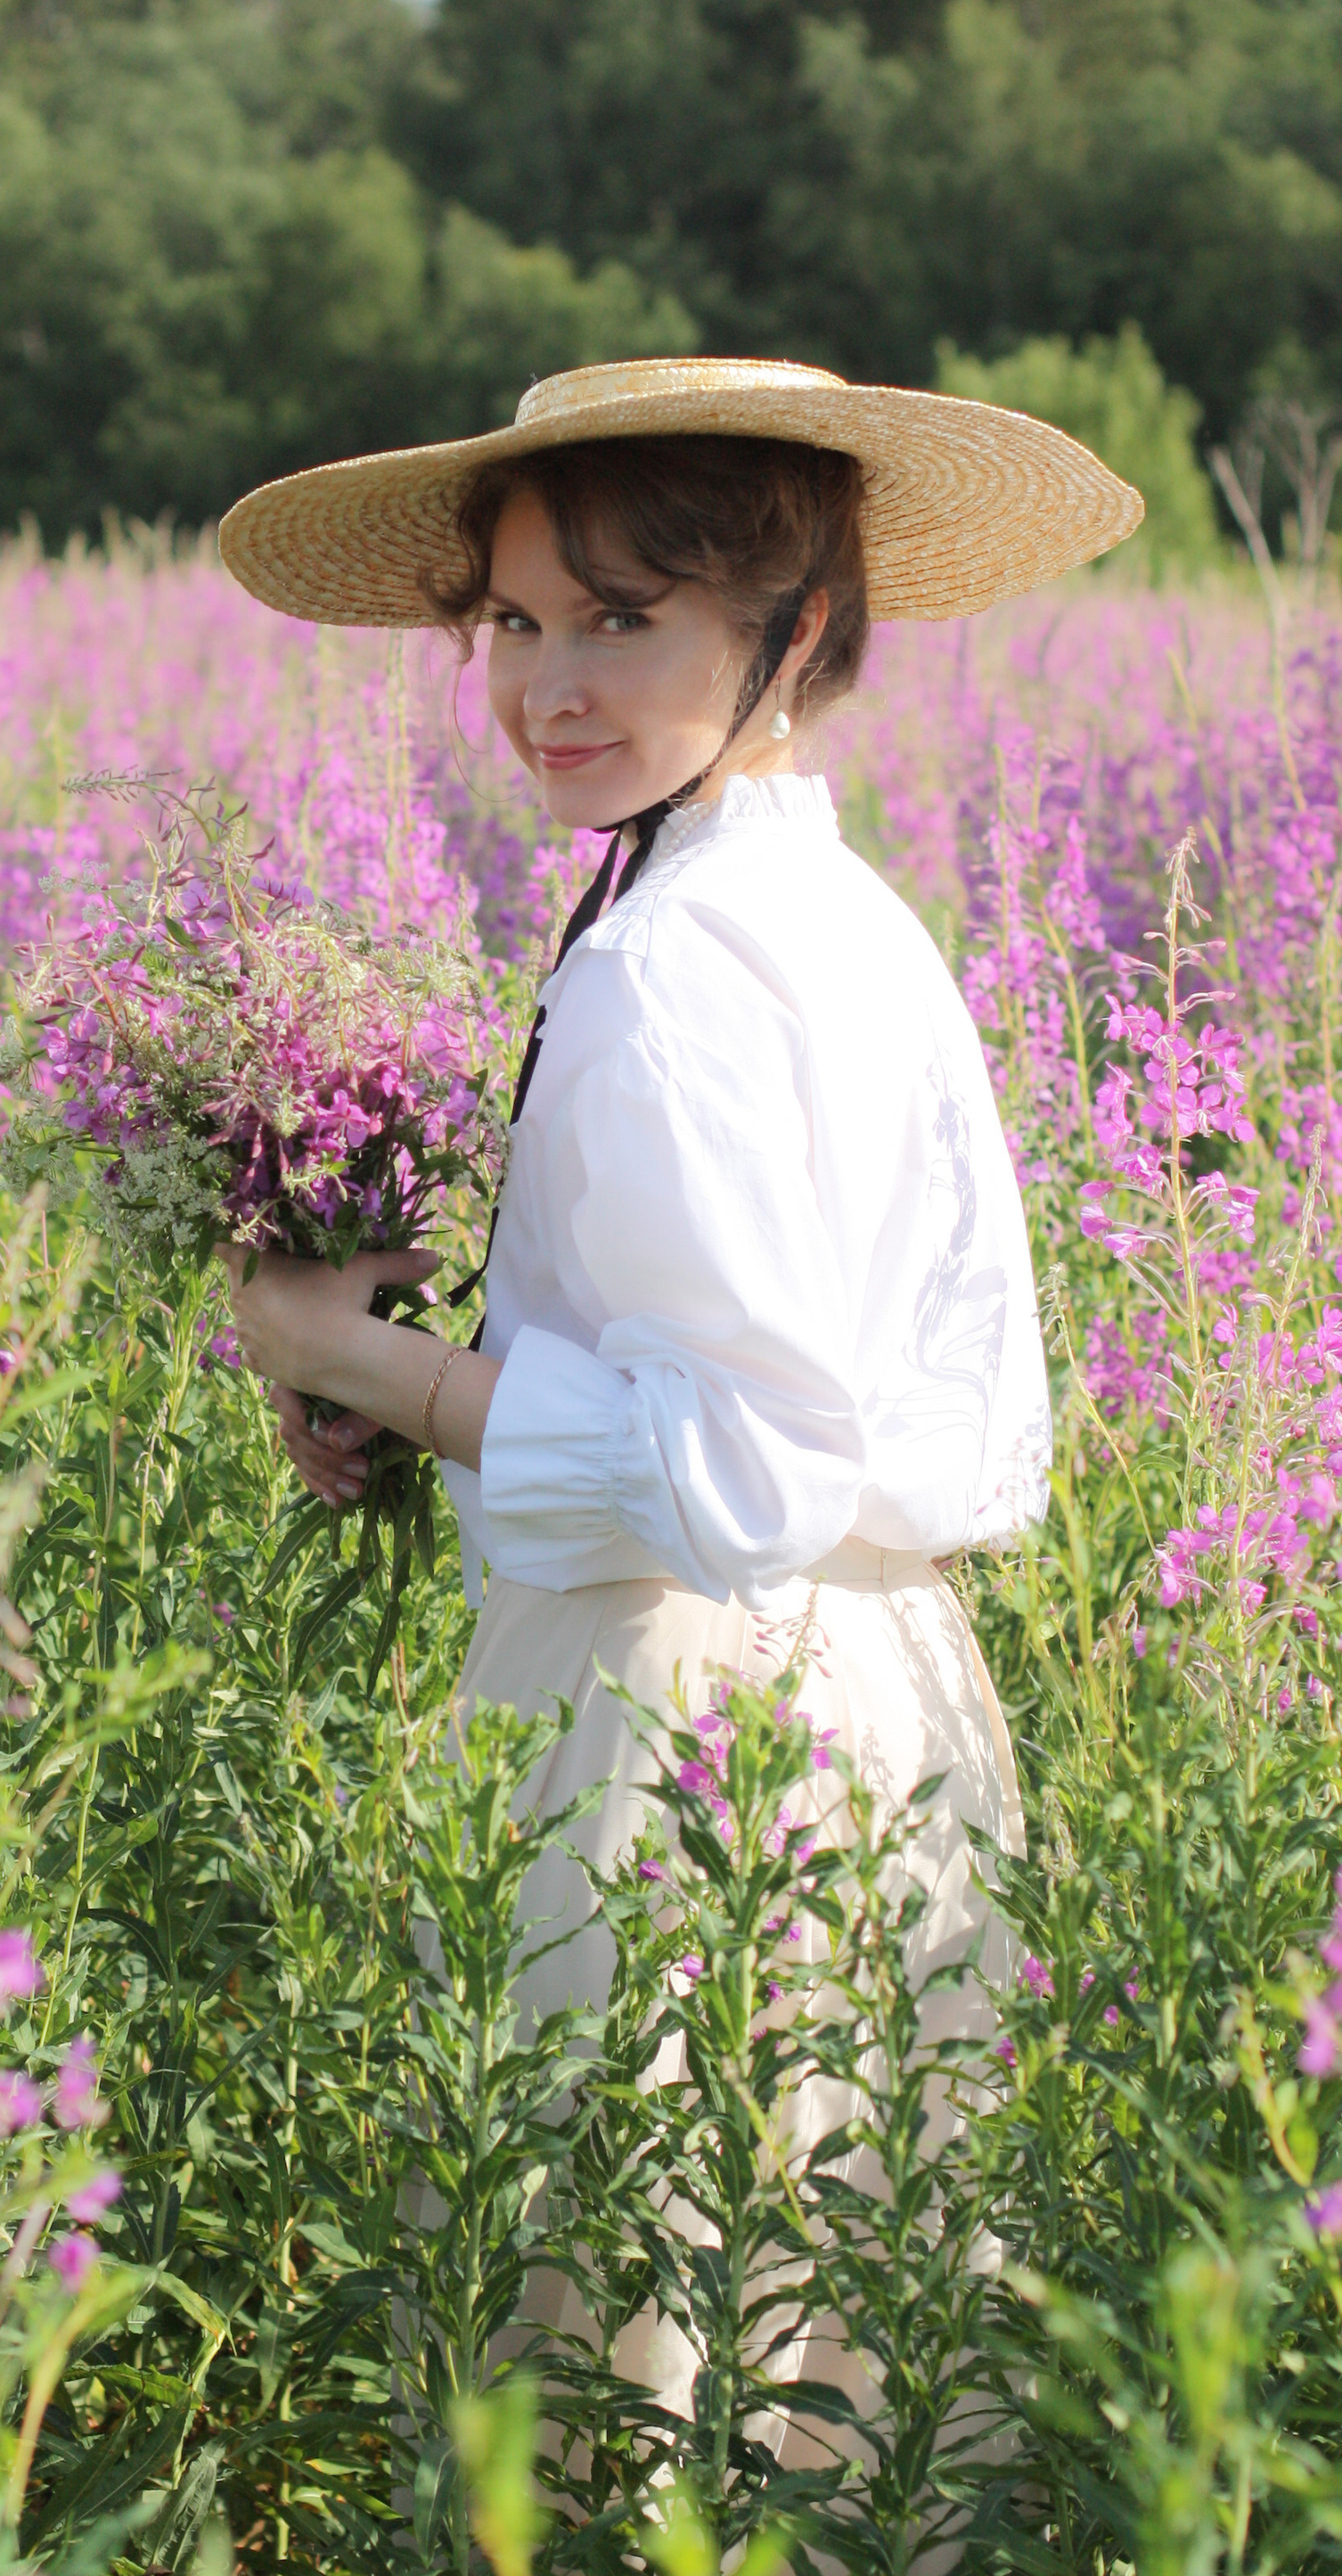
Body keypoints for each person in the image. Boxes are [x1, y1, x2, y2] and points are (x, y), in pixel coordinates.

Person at [212, 355, 1139, 2416]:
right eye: (517, 623)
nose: (550, 682)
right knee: (844, 2354)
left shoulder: (668, 960)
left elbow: (733, 1469)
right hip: (873, 1696)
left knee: (659, 2383)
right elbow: (745, 1360)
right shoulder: (811, 908)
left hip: (689, 1732)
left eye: (621, 621)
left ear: (796, 628)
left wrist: (346, 1352)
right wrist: (439, 1378)